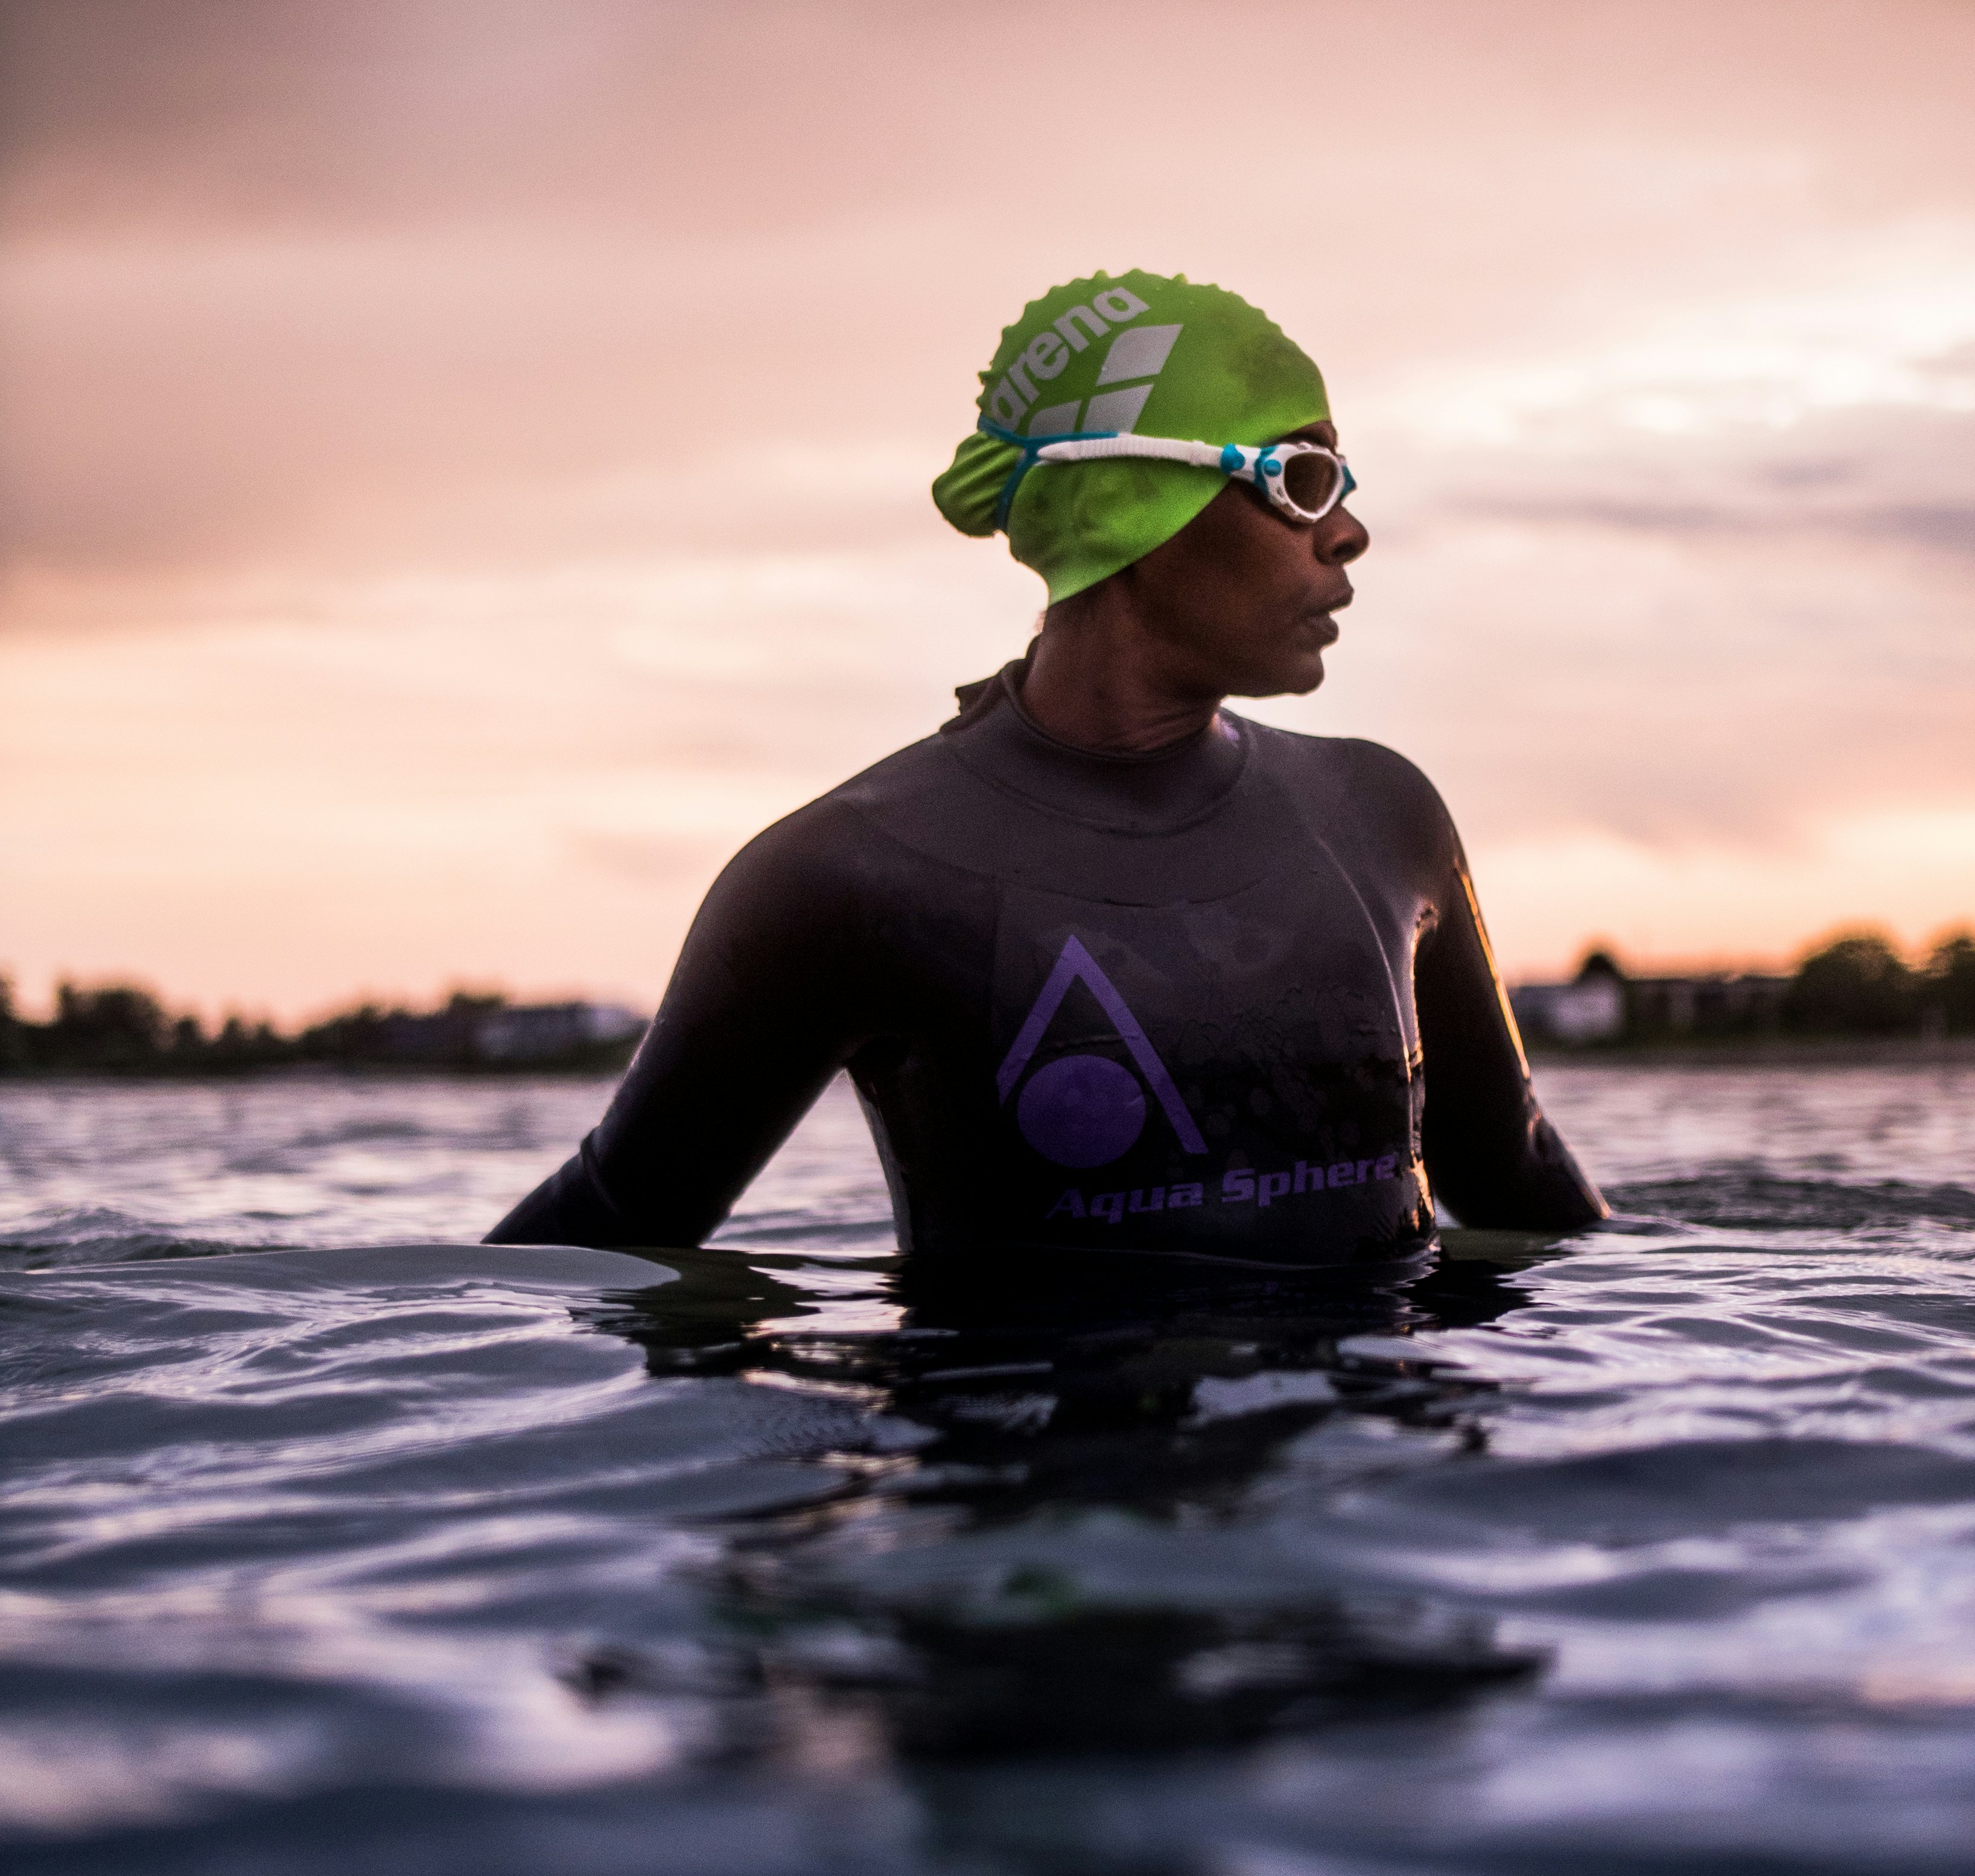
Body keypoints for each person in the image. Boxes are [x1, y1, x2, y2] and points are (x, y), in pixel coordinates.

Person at [489, 270, 1605, 1262]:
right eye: (1303, 477)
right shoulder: (845, 879)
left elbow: (1516, 1184)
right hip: (1039, 1485)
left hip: (1383, 1491)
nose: (1349, 530)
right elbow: (608, 1232)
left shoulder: (1382, 814)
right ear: (1129, 503)